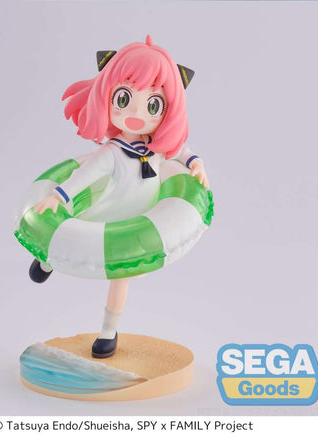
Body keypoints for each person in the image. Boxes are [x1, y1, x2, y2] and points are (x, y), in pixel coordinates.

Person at [31, 36, 209, 358]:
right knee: (70, 237)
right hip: (108, 214)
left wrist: (196, 163)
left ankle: (108, 332)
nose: (137, 113)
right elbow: (84, 177)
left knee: (121, 278)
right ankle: (46, 260)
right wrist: (57, 196)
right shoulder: (111, 153)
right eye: (124, 98)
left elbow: (180, 149)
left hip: (140, 219)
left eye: (153, 105)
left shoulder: (157, 147)